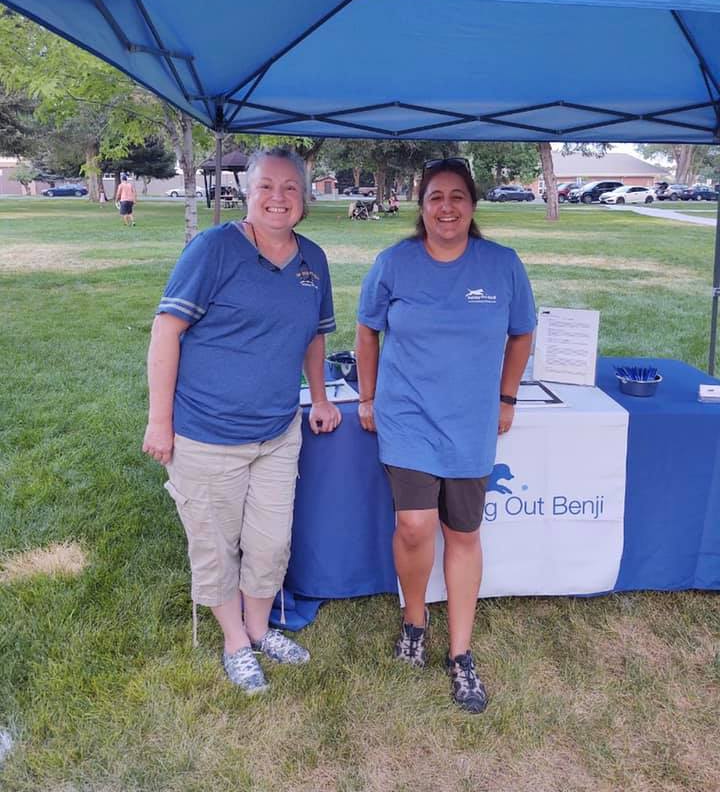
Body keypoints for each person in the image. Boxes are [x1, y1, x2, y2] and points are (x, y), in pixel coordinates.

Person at [142, 147, 342, 694]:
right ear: (246, 193)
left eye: (290, 188)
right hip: (206, 433)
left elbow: (315, 336)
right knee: (214, 545)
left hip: (278, 432)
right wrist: (160, 421)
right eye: (266, 188)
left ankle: (259, 628)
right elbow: (167, 331)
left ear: (305, 197)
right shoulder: (214, 248)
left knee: (271, 544)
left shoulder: (313, 261)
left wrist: (320, 399)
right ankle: (234, 641)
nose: (278, 198)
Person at [355, 157, 536, 713]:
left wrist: (506, 398)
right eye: (436, 197)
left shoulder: (502, 265)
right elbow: (367, 331)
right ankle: (415, 619)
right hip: (407, 415)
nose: (447, 207)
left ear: (473, 205)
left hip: (469, 422)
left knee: (462, 534)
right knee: (414, 526)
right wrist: (366, 396)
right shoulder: (393, 264)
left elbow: (522, 334)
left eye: (457, 196)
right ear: (421, 206)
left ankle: (461, 654)